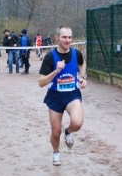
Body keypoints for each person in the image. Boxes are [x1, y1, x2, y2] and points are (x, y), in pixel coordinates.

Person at [38, 26, 88, 166]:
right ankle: (56, 152)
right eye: (64, 37)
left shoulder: (76, 53)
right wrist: (56, 71)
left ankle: (68, 131)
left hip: (72, 95)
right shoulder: (50, 57)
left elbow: (82, 63)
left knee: (77, 123)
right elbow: (41, 82)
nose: (67, 40)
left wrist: (82, 77)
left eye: (70, 37)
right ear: (57, 38)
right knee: (55, 132)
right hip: (55, 97)